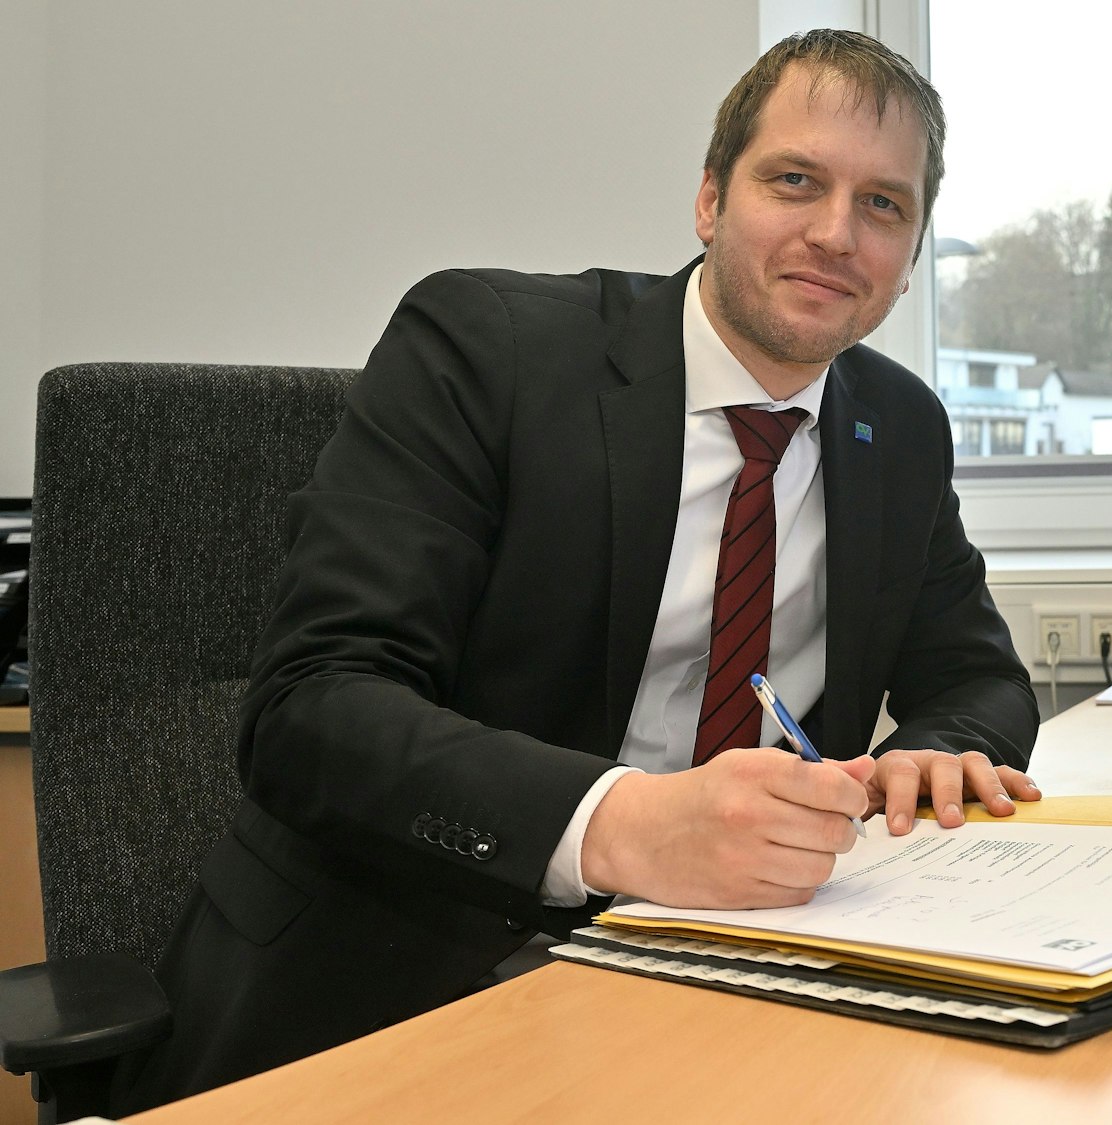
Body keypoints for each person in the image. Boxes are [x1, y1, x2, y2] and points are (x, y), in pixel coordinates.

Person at [114, 29, 1040, 1112]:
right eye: (794, 181)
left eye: (882, 205)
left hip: (745, 977)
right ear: (708, 199)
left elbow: (977, 680)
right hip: (409, 973)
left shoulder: (898, 426)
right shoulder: (485, 349)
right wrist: (623, 826)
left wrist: (929, 755)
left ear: (912, 253)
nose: (835, 233)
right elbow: (313, 709)